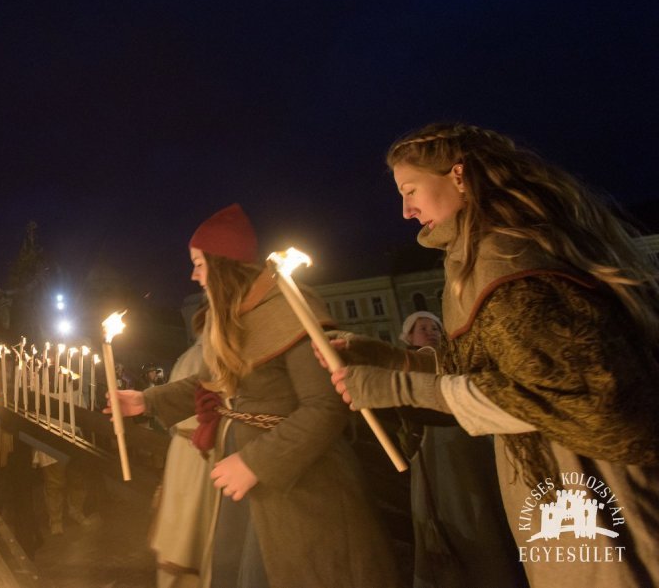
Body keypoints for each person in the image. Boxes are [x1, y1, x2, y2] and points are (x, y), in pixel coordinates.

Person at [329, 123, 659, 587]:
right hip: (552, 478)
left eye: (410, 190)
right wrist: (392, 358)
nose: (406, 211)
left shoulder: (508, 258)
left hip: (592, 484)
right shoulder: (476, 255)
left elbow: (566, 396)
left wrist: (402, 387)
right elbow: (485, 367)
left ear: (459, 175)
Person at [117, 203, 396, 587]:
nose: (193, 274)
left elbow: (326, 406)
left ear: (222, 265)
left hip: (300, 483)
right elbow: (210, 383)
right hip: (246, 477)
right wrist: (145, 400)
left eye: (198, 263)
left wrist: (255, 463)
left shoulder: (289, 306)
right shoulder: (229, 317)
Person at [391, 311, 526, 588]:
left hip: (474, 448)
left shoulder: (456, 360)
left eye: (435, 327)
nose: (431, 332)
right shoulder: (408, 366)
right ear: (409, 336)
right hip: (437, 456)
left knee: (487, 513)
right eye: (423, 328)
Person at [150, 317, 215, 588]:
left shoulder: (185, 357)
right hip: (201, 453)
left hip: (182, 450)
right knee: (195, 532)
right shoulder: (209, 357)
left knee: (180, 530)